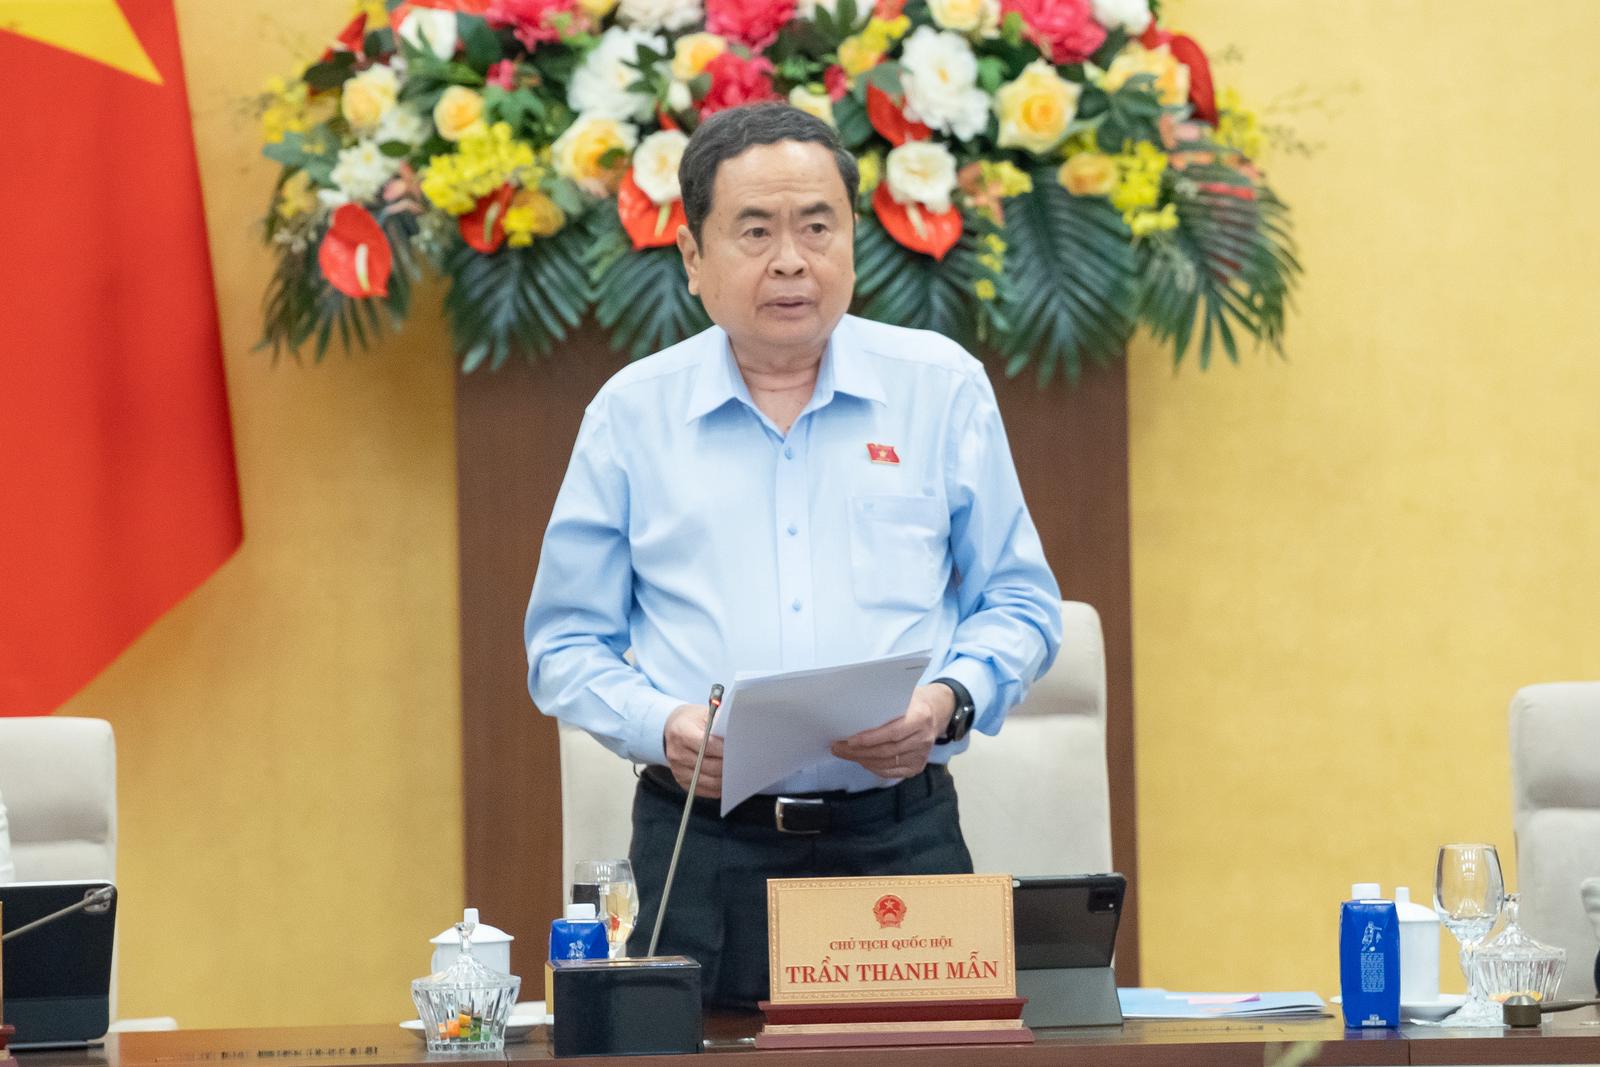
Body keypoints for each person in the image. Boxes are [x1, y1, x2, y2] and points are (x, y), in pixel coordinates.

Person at [524, 103, 1062, 1006]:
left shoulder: (940, 391)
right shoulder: (631, 415)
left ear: (853, 240)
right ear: (692, 257)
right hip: (703, 847)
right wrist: (662, 724)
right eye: (755, 231)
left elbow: (1021, 603)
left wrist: (946, 701)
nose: (790, 260)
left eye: (818, 227)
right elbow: (563, 645)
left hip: (900, 839)